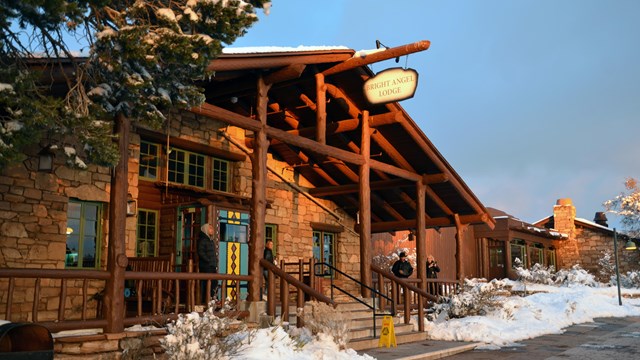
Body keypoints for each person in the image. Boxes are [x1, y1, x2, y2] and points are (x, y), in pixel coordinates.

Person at [197, 223, 218, 304]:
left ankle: (213, 299)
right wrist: (208, 260)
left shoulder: (210, 240)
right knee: (207, 284)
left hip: (212, 265)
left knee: (214, 283)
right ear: (206, 229)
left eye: (212, 228)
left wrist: (215, 261)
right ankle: (206, 300)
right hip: (206, 266)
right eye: (210, 228)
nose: (212, 230)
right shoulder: (203, 240)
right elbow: (201, 252)